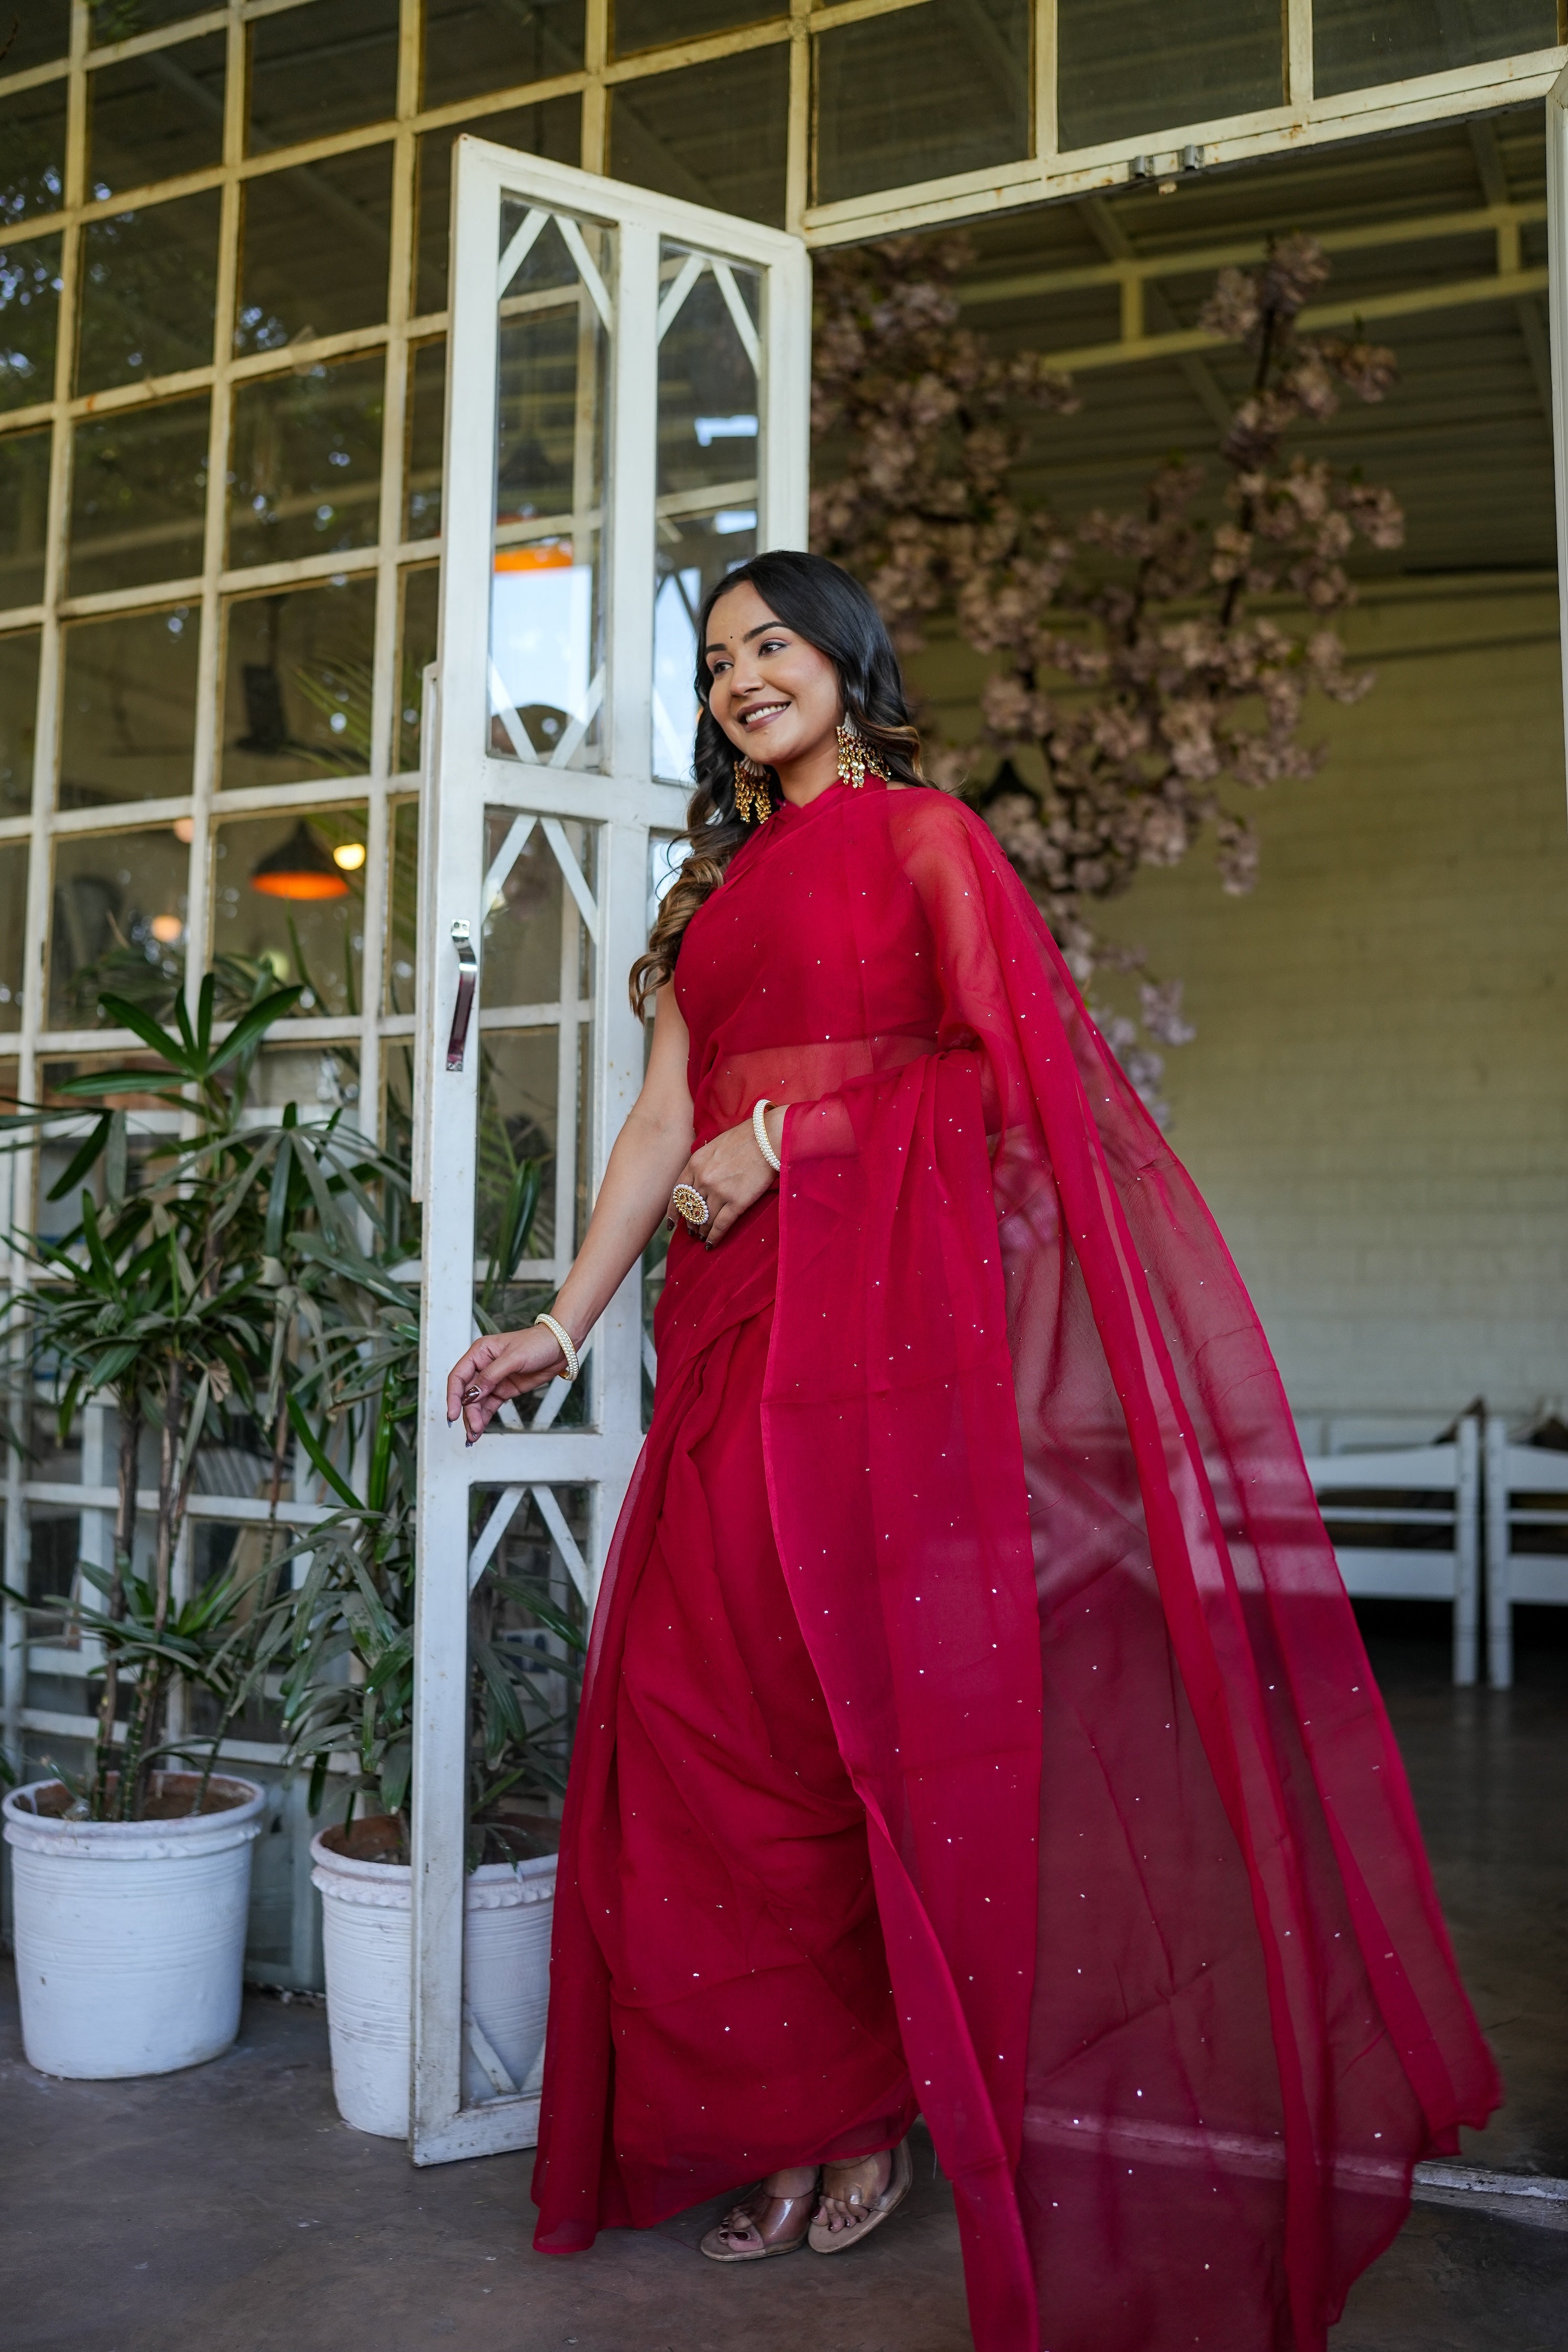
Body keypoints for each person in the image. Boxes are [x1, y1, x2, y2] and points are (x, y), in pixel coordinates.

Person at [446, 550, 1498, 2352]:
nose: (741, 680)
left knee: (873, 1727)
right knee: (711, 1720)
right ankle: (796, 2116)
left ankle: (868, 2113)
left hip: (883, 1360)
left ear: (849, 664)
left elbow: (1022, 1088)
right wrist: (556, 1322)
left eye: (773, 645)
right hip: (726, 1340)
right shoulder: (713, 895)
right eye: (714, 664)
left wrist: (792, 1134)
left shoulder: (932, 845)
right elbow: (649, 1126)